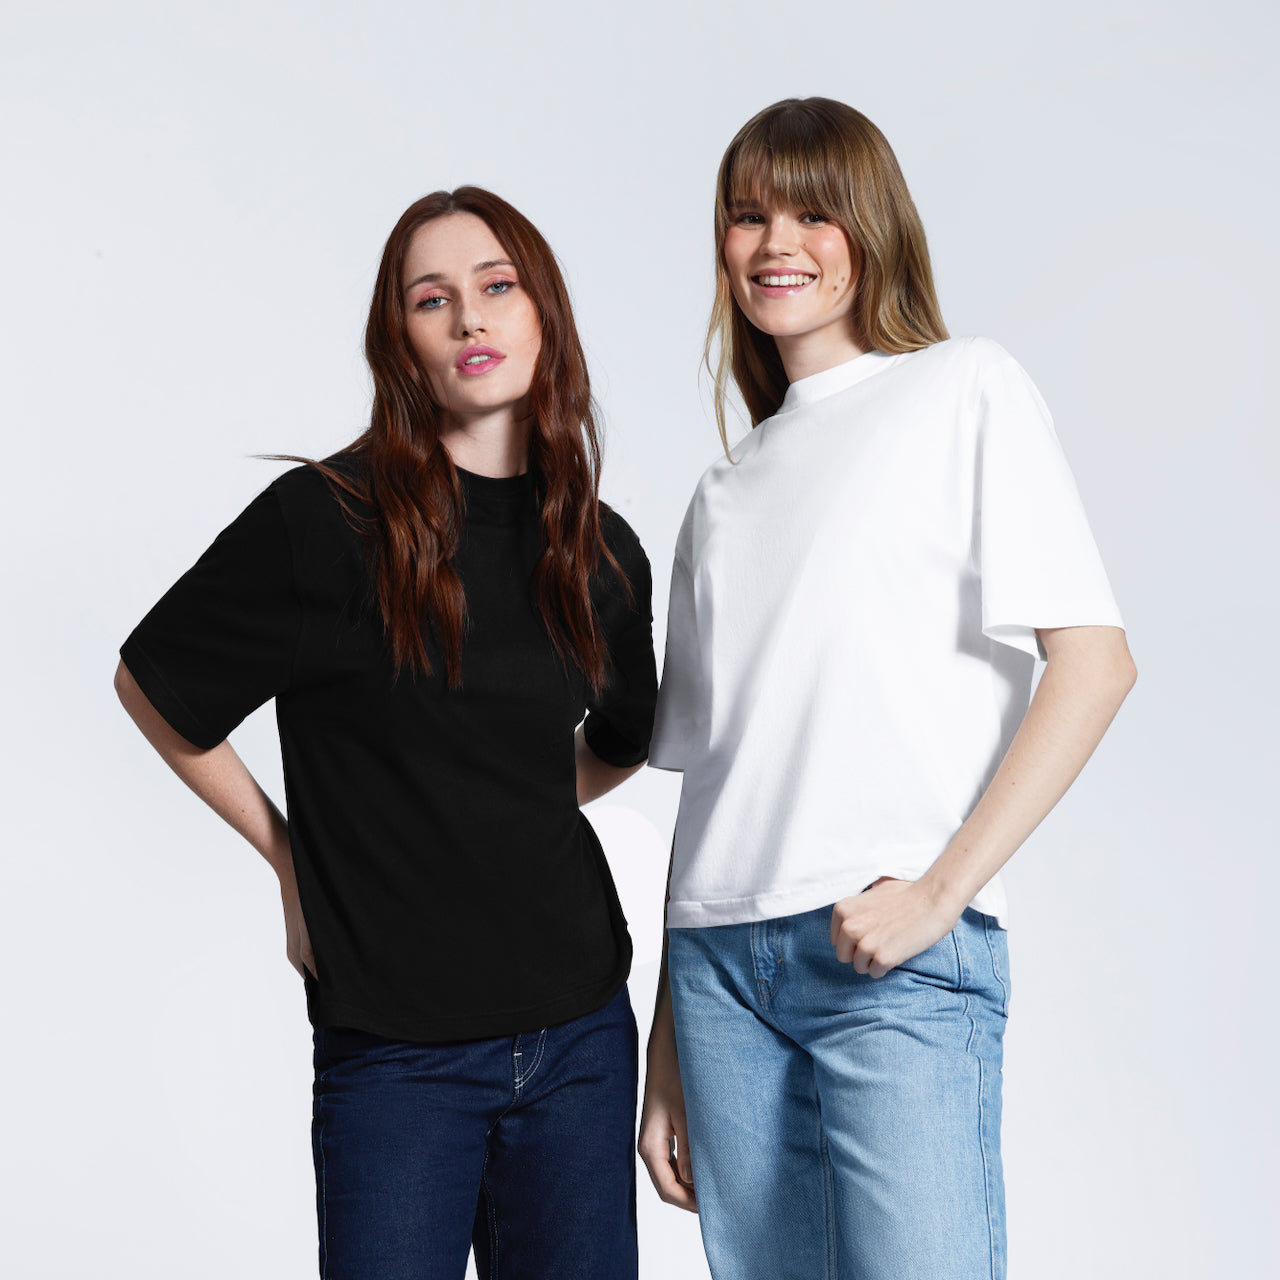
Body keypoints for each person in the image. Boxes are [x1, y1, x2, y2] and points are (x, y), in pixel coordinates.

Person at [115, 186, 656, 1280]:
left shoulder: (597, 549)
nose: (470, 319)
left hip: (581, 1039)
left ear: (541, 313)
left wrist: (504, 795)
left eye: (497, 287)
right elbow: (156, 686)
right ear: (398, 338)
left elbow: (623, 736)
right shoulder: (327, 522)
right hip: (396, 1054)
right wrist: (290, 855)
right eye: (432, 298)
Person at [638, 97, 1136, 1280]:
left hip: (892, 954)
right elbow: (717, 771)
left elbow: (1095, 660)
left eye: (813, 212)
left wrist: (939, 891)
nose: (775, 243)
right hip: (720, 977)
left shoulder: (963, 389)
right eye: (747, 214)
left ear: (872, 229)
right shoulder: (724, 489)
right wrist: (666, 1041)